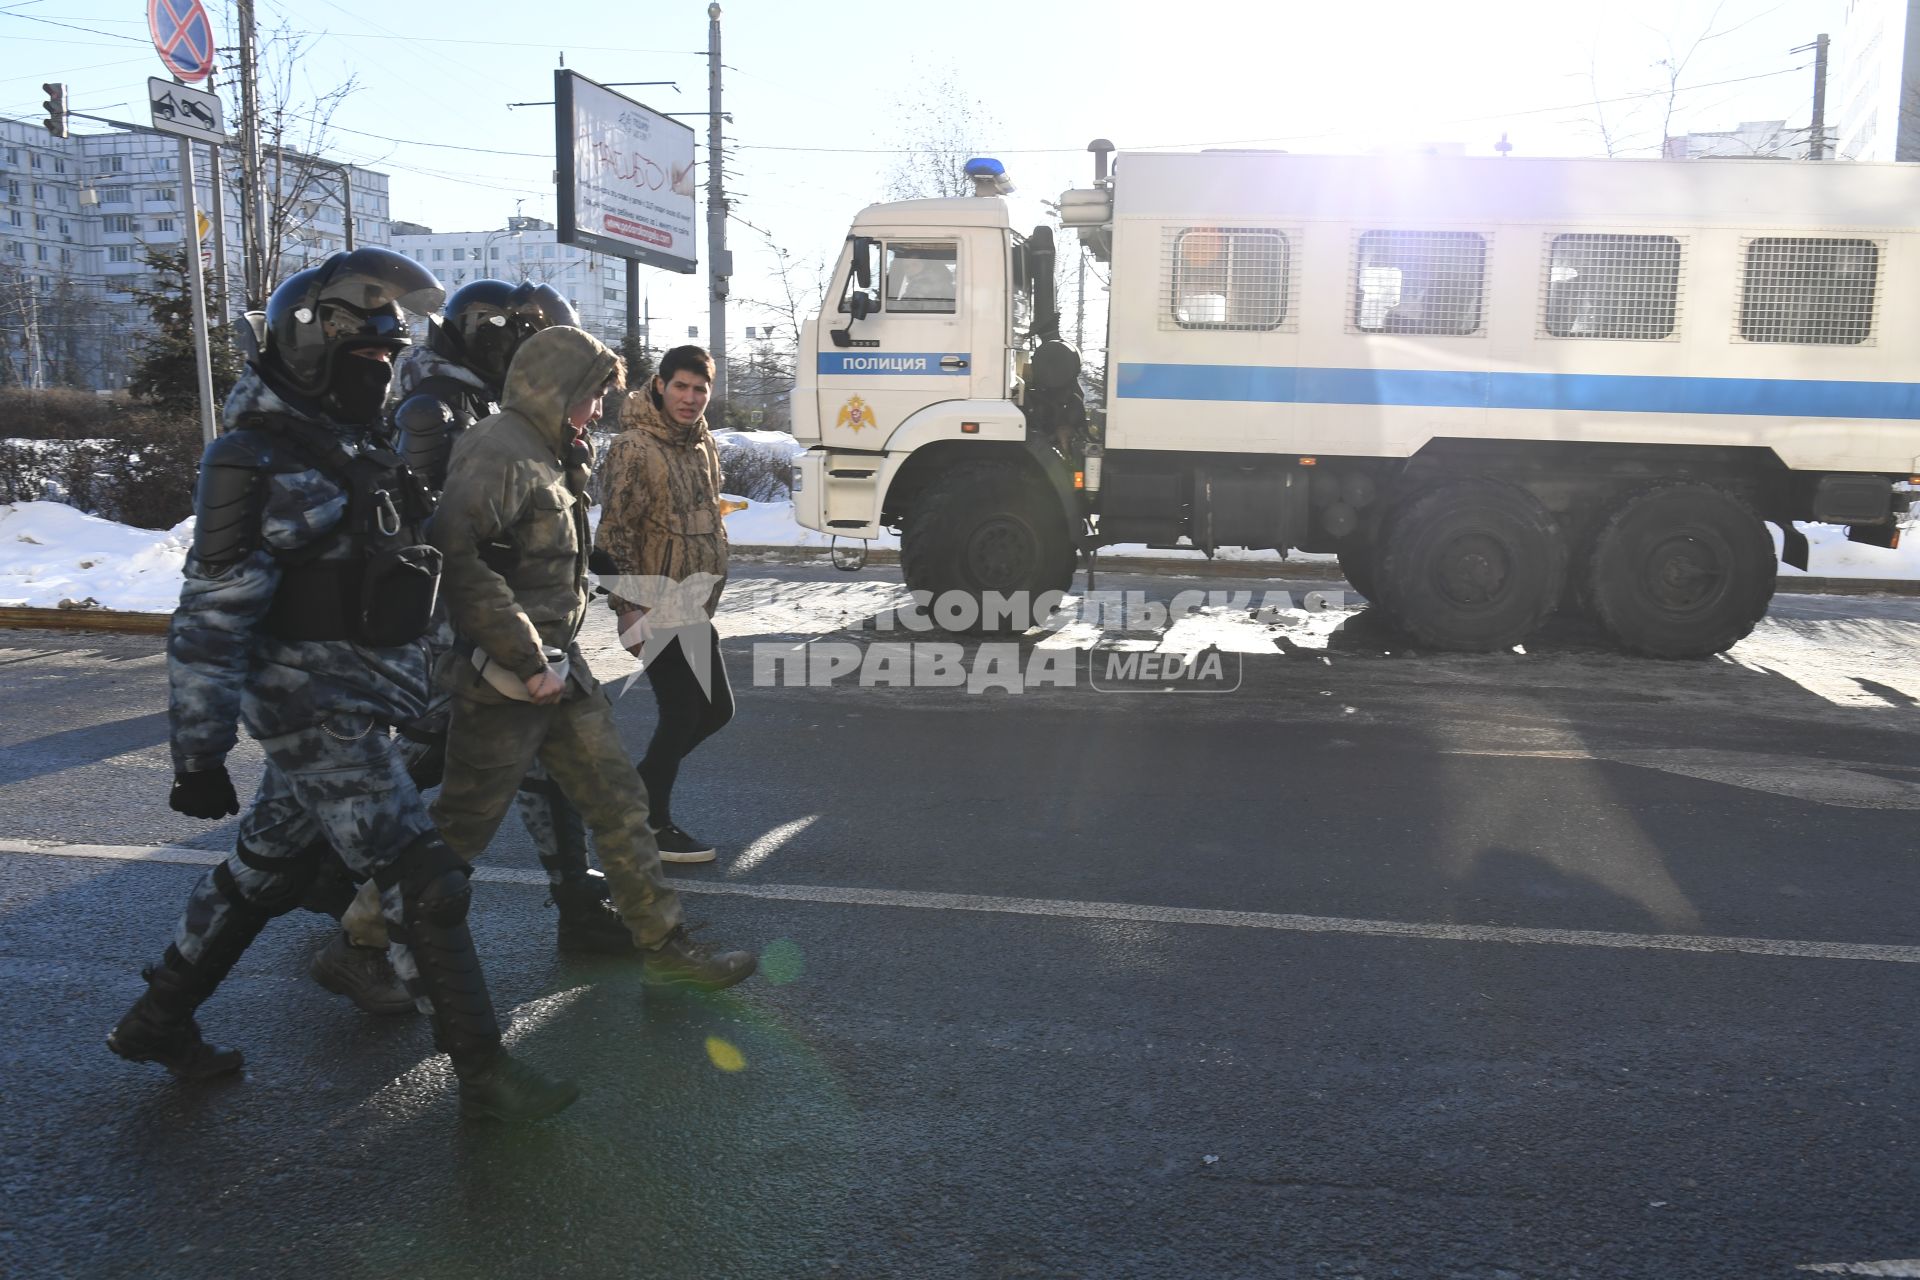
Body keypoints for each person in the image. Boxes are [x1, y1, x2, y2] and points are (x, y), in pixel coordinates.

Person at [106, 248, 577, 1123]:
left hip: (360, 699)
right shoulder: (250, 460)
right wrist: (198, 754)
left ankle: (157, 1019)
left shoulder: (356, 447)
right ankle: (483, 1074)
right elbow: (210, 619)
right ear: (307, 347)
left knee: (264, 871)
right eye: (363, 358)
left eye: (388, 360)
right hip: (307, 710)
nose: (380, 373)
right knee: (424, 877)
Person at [309, 281, 631, 1018]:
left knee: (531, 781)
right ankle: (355, 928)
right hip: (449, 641)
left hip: (508, 637)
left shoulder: (496, 409)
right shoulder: (439, 412)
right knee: (430, 803)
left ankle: (576, 906)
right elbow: (434, 537)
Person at [424, 324, 756, 990]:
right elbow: (459, 562)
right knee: (459, 828)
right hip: (507, 678)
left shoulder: (554, 451)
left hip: (561, 667)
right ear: (555, 389)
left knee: (619, 803)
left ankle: (666, 950)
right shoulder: (498, 450)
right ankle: (364, 935)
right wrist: (535, 653)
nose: (599, 408)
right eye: (592, 394)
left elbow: (575, 556)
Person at [596, 345, 734, 862]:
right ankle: (649, 826)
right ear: (659, 385)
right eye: (680, 386)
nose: (690, 398)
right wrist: (627, 610)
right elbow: (614, 535)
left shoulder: (702, 445)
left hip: (692, 603)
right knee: (680, 713)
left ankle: (632, 800)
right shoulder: (634, 447)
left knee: (717, 709)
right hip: (655, 604)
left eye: (700, 389)